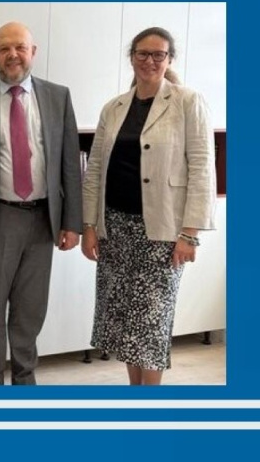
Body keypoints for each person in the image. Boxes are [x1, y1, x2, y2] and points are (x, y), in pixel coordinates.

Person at [81, 26, 216, 385]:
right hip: (115, 229)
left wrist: (190, 234)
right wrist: (89, 226)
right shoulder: (114, 108)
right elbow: (95, 169)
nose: (150, 61)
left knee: (152, 322)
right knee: (126, 321)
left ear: (169, 59)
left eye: (159, 54)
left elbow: (203, 168)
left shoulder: (188, 102)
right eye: (143, 53)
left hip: (163, 234)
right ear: (132, 57)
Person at [0, 21, 82, 385]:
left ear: (33, 52)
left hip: (43, 219)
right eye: (4, 49)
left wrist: (72, 221)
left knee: (30, 310)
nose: (12, 55)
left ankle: (25, 382)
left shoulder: (58, 97)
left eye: (20, 48)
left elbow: (69, 163)